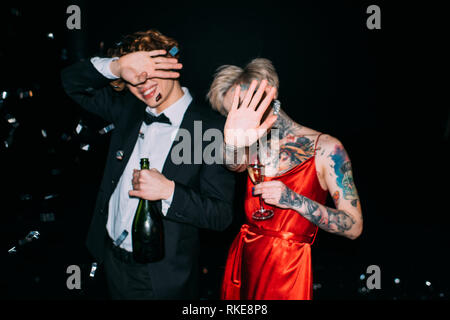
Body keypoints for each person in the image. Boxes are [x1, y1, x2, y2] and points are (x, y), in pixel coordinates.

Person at [61, 29, 235, 299]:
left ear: (171, 65)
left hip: (159, 277)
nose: (142, 83)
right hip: (110, 260)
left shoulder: (207, 130)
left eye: (150, 70)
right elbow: (71, 82)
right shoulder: (128, 111)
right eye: (134, 76)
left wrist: (170, 192)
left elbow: (220, 215)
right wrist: (118, 66)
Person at [207, 58, 363, 300]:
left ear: (270, 93)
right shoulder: (247, 147)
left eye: (243, 105)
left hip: (290, 270)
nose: (239, 117)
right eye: (231, 113)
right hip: (246, 260)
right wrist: (232, 140)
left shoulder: (327, 148)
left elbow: (354, 227)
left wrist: (293, 200)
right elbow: (231, 163)